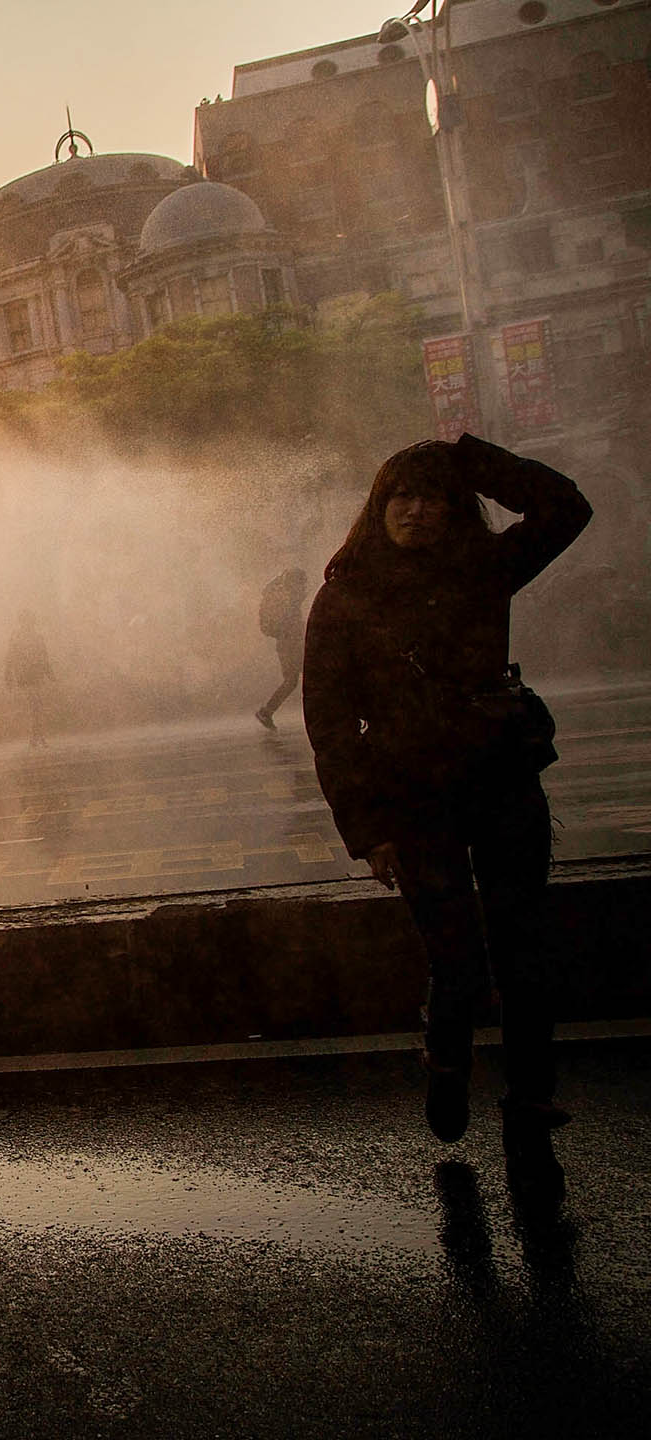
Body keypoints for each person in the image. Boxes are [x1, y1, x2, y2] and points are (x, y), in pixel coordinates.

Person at [303, 434, 591, 1203]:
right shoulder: (345, 596)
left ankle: (531, 1095)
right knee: (457, 952)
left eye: (433, 496)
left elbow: (567, 507)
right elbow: (329, 724)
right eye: (402, 497)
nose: (417, 511)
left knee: (522, 944)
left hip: (501, 779)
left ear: (456, 506)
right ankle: (448, 1055)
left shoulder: (483, 569)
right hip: (411, 797)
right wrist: (366, 830)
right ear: (378, 508)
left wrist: (471, 456)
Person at [255, 566, 309, 730]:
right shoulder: (289, 599)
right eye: (301, 582)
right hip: (292, 644)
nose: (304, 586)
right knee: (311, 677)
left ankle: (267, 711)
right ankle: (267, 711)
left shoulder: (282, 597)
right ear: (294, 582)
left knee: (291, 681)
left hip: (287, 644)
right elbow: (291, 622)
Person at [5, 611, 54, 748]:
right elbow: (10, 656)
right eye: (26, 622)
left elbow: (44, 656)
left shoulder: (33, 637)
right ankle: (37, 736)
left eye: (30, 622)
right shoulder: (20, 637)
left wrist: (50, 673)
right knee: (34, 706)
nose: (28, 625)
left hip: (33, 675)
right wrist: (8, 674)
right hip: (26, 676)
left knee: (36, 706)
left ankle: (36, 737)